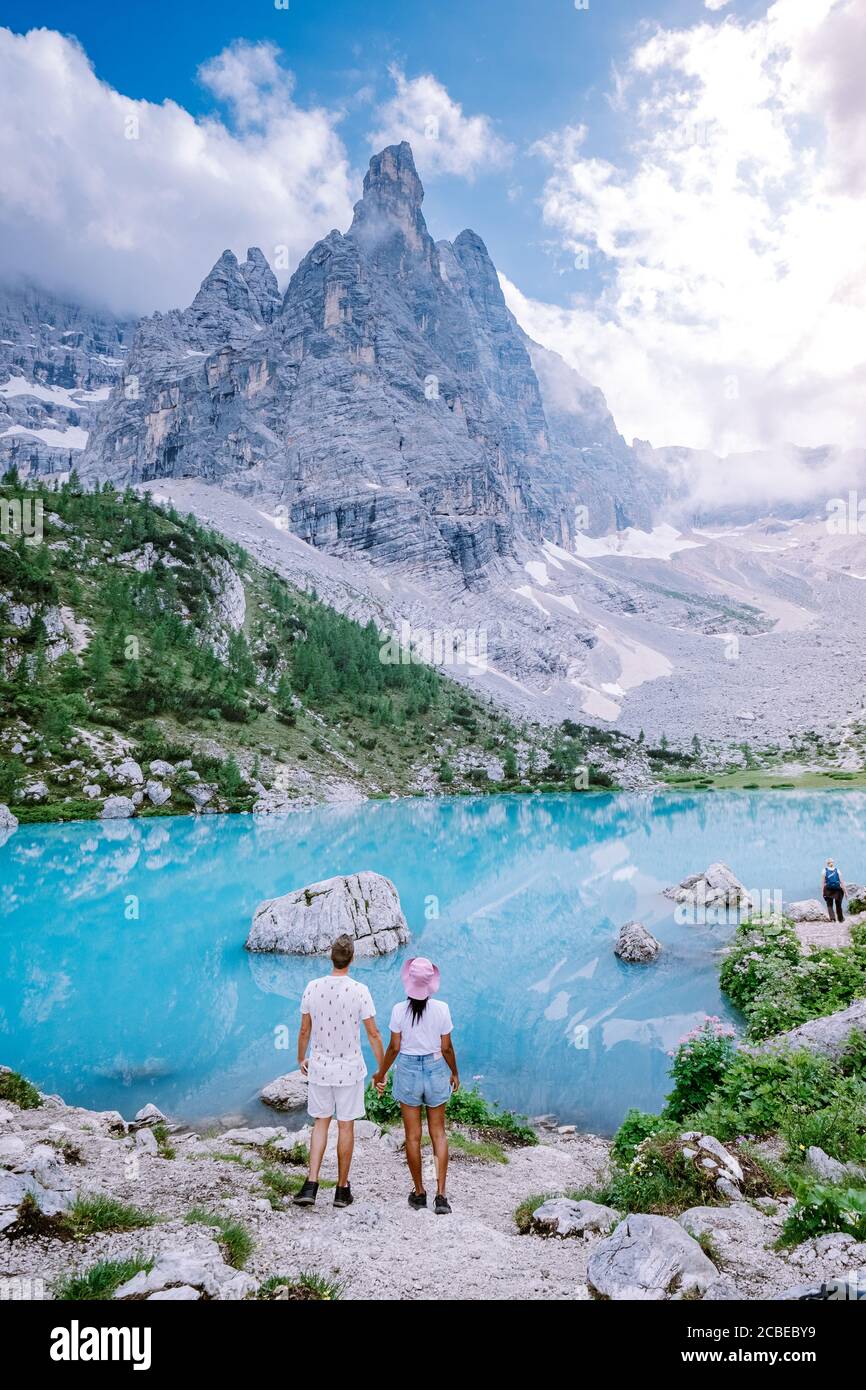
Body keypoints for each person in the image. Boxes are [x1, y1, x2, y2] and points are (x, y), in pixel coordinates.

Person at [293, 933, 385, 1210]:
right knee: (346, 1126)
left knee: (320, 1123)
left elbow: (304, 1029)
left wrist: (300, 1058)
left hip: (320, 1067)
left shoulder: (313, 987)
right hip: (349, 1070)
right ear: (352, 959)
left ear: (330, 957)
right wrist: (381, 1070)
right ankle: (342, 1190)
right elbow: (373, 1033)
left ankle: (311, 1183)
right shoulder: (360, 990)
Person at [373, 956, 459, 1216]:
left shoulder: (399, 1010)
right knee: (439, 1134)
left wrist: (381, 1073)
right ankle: (441, 1196)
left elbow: (394, 1047)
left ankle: (419, 1192)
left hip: (408, 1071)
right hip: (434, 1070)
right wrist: (454, 1072)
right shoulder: (442, 1009)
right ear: (431, 984)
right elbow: (445, 1047)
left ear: (409, 983)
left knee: (412, 1136)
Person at [822, 859, 846, 923]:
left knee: (829, 905)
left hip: (828, 889)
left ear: (827, 863)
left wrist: (822, 891)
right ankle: (840, 919)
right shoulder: (837, 870)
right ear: (833, 863)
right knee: (838, 904)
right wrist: (845, 892)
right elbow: (842, 882)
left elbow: (823, 882)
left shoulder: (824, 870)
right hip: (837, 890)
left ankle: (832, 919)